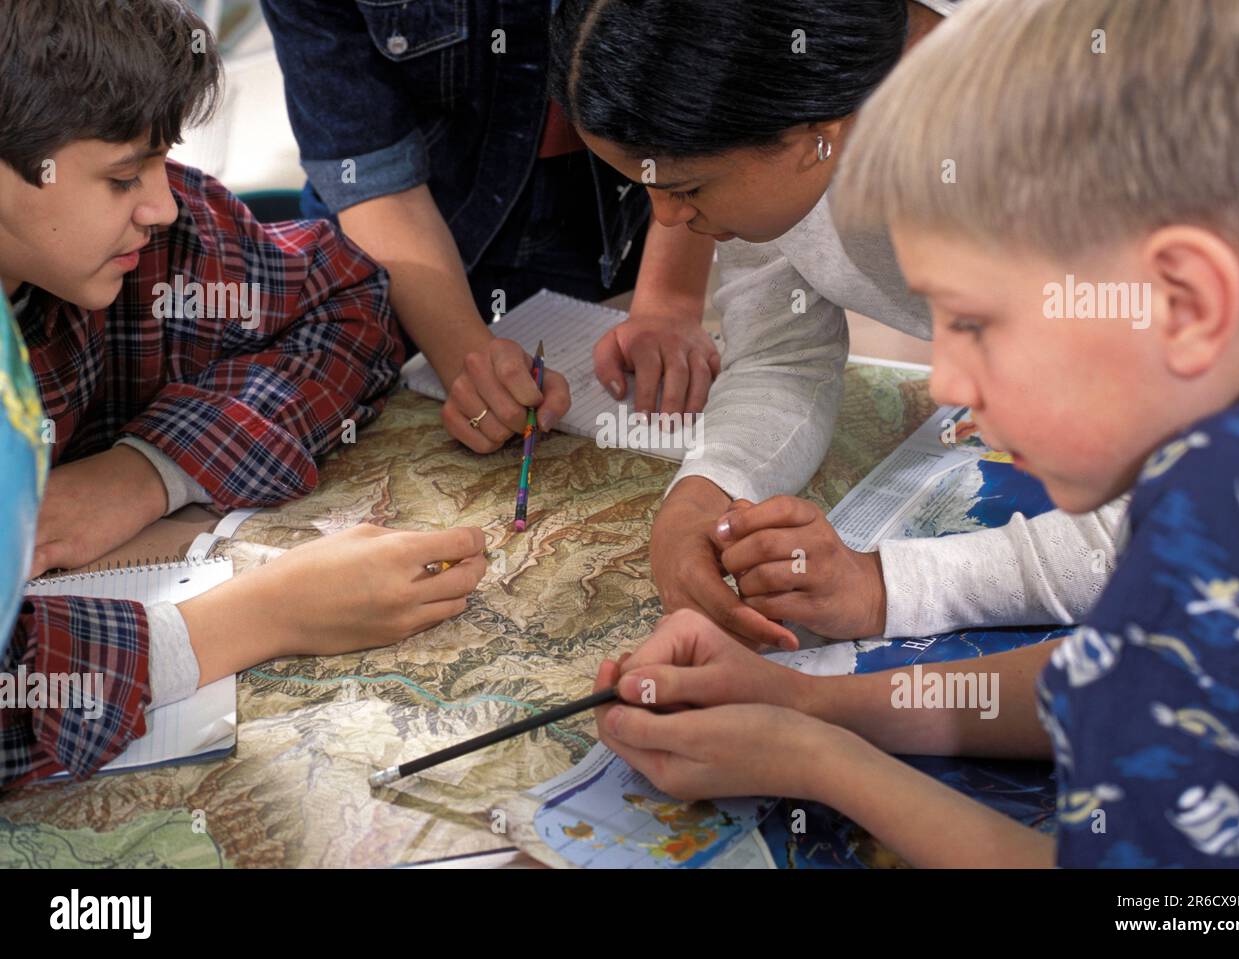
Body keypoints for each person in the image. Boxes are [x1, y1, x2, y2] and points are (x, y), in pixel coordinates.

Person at [592, 0, 1239, 867]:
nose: (948, 388)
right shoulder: (1232, 463)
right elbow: (1126, 677)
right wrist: (806, 710)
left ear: (1189, 299)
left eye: (973, 321)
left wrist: (818, 758)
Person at [0, 0, 486, 787]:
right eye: (123, 177)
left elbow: (348, 303)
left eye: (159, 162)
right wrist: (257, 618)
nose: (158, 205)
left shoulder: (152, 238)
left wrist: (148, 470)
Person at [552, 0, 1128, 649]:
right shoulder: (789, 102)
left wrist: (882, 588)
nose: (667, 220)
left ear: (816, 131)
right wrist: (707, 489)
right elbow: (783, 353)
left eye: (687, 188)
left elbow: (1184, 529)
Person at [261, 0, 721, 456]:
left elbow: (694, 94)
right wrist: (468, 362)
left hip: (599, 228)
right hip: (396, 250)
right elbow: (372, 175)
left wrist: (668, 301)